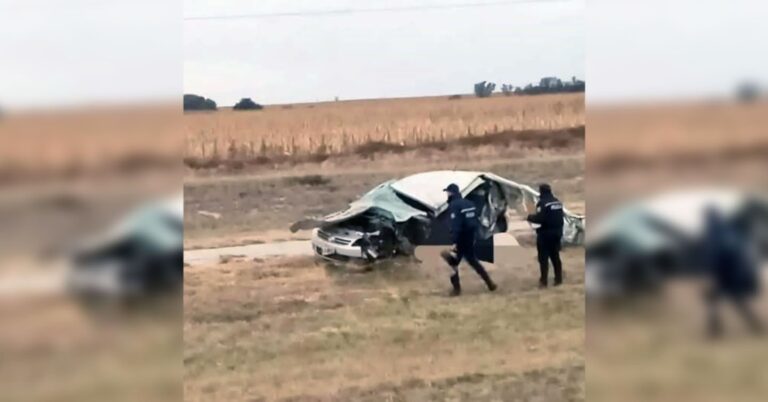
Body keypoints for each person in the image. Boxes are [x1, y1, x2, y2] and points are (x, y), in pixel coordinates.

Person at [702, 207, 763, 338]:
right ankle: (754, 325)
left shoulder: (716, 234)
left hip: (727, 275)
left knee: (721, 300)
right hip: (734, 273)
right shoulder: (729, 230)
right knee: (726, 300)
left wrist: (714, 275)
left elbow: (717, 257)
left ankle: (716, 330)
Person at [441, 183, 497, 296]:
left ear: (451, 193)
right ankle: (490, 283)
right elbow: (475, 220)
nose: (447, 194)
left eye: (447, 192)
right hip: (470, 236)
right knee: (472, 260)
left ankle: (456, 289)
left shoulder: (454, 205)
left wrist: (454, 241)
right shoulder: (469, 203)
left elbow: (456, 224)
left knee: (452, 261)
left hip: (461, 237)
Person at [526, 183, 564, 288]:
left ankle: (544, 281)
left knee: (543, 258)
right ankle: (558, 279)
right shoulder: (557, 202)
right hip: (557, 233)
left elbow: (540, 219)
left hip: (545, 234)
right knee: (555, 256)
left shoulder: (542, 203)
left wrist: (530, 217)